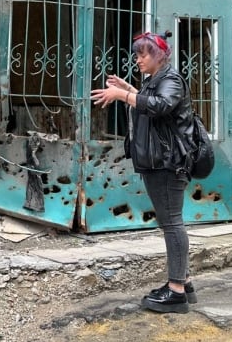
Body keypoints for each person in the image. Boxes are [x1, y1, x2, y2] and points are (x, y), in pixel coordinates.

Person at [89, 31, 197, 314]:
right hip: (159, 162)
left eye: (142, 54)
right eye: (136, 54)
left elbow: (161, 106)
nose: (137, 60)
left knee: (172, 222)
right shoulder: (155, 81)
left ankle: (176, 292)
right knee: (170, 221)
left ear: (159, 56)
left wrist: (123, 94)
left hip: (168, 163)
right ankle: (183, 282)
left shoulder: (171, 80)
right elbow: (150, 103)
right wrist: (128, 90)